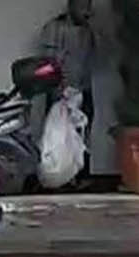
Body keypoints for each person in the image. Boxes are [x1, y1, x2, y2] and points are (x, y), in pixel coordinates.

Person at [38, 0, 97, 185]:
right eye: (82, 6)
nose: (86, 11)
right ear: (71, 6)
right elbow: (48, 62)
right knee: (57, 136)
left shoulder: (88, 31)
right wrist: (60, 88)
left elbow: (90, 60)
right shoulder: (54, 28)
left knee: (82, 135)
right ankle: (56, 178)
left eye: (88, 6)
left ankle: (80, 177)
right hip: (60, 91)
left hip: (83, 89)